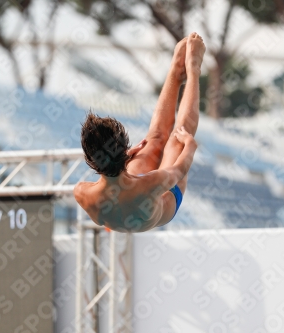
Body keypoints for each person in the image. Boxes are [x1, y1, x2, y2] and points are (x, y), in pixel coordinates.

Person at [74, 32, 205, 232]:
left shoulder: (82, 193)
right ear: (124, 147)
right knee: (177, 139)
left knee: (153, 141)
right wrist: (190, 145)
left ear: (90, 159)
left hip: (122, 209)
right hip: (160, 206)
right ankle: (193, 68)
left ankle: (176, 71)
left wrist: (123, 157)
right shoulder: (152, 183)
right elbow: (181, 168)